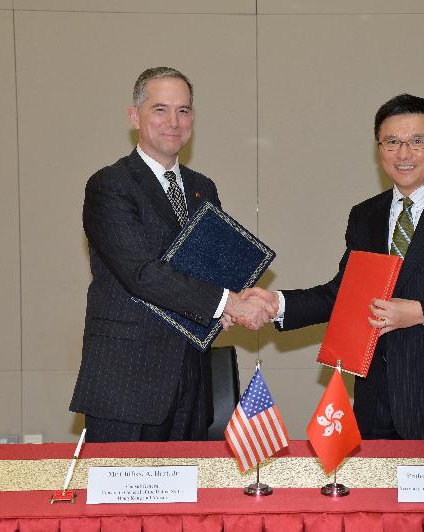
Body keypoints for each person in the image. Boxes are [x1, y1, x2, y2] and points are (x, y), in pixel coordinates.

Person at [246, 94, 424, 440]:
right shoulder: (365, 215)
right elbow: (345, 293)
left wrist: (421, 313)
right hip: (374, 400)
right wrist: (277, 304)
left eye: (417, 141)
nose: (403, 154)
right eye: (392, 142)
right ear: (379, 150)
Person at [70, 67, 273, 443]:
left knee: (188, 500)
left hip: (191, 382)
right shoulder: (109, 185)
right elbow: (142, 273)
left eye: (183, 110)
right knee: (123, 501)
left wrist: (224, 306)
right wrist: (227, 302)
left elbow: (209, 268)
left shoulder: (202, 188)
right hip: (125, 385)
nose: (173, 122)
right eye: (160, 109)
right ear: (135, 117)